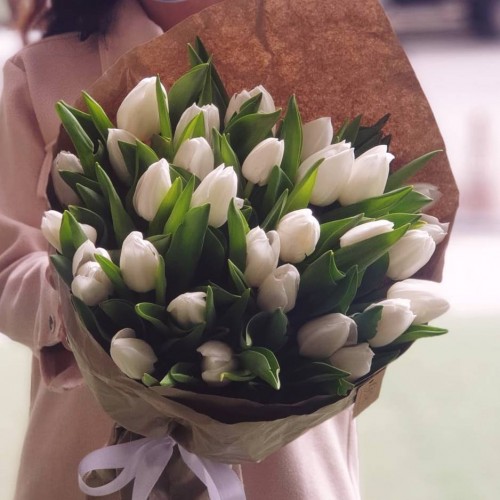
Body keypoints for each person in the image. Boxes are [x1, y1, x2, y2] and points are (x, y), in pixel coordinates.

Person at [0, 1, 361, 498]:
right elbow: (9, 263)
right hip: (91, 453)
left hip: (281, 467)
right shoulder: (42, 76)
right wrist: (87, 294)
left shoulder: (323, 59)